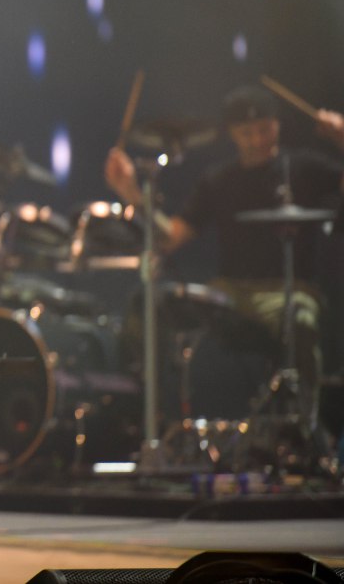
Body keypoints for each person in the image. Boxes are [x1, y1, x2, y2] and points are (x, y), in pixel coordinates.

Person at [105, 85, 344, 447]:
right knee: (152, 303)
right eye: (247, 133)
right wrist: (132, 194)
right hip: (229, 293)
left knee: (302, 318)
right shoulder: (218, 180)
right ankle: (148, 422)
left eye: (264, 129)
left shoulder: (304, 167)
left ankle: (306, 429)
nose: (256, 140)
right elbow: (170, 237)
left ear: (277, 125)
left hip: (288, 292)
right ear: (232, 133)